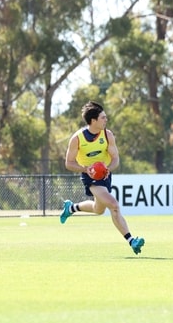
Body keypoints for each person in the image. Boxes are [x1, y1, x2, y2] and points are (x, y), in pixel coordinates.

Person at [60, 101, 145, 255]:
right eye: (103, 117)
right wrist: (86, 169)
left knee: (98, 209)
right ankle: (132, 240)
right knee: (113, 205)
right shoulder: (77, 139)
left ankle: (71, 207)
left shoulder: (108, 135)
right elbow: (69, 163)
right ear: (93, 121)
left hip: (105, 175)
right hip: (90, 177)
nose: (106, 120)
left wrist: (108, 169)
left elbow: (115, 159)